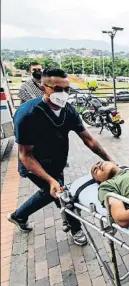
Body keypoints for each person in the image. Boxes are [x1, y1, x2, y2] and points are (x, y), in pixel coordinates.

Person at [8, 68, 115, 246]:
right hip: (35, 167)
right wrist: (50, 180)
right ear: (43, 88)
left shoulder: (68, 111)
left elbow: (89, 140)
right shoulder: (27, 115)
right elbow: (25, 156)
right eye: (58, 89)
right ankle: (76, 228)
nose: (64, 94)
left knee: (49, 194)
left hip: (57, 163)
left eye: (67, 89)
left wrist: (110, 160)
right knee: (64, 196)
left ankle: (18, 215)